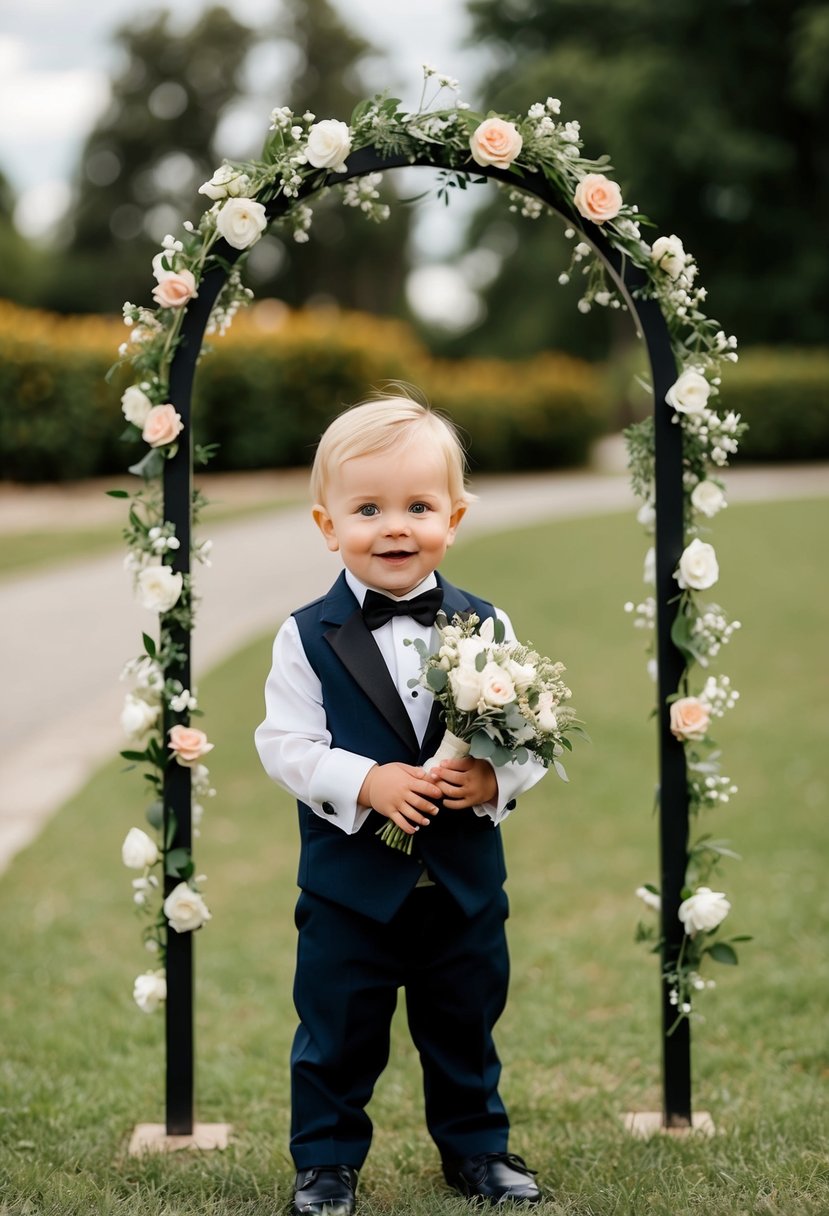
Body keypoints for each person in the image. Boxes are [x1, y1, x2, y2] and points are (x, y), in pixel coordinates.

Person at [255, 391, 549, 1215]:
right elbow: (284, 744)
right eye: (368, 508)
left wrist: (495, 780)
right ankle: (325, 1163)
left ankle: (477, 1151)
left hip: (459, 883)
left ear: (451, 519)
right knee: (335, 1035)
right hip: (350, 887)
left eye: (418, 506)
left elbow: (526, 732)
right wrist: (365, 781)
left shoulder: (486, 624)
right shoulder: (305, 635)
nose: (395, 527)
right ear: (327, 526)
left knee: (464, 1028)